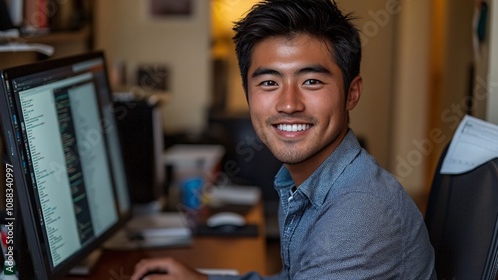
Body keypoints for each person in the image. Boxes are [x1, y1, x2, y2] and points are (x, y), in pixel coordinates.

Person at [130, 0, 436, 279]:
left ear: (352, 93)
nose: (289, 104)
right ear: (248, 94)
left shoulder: (358, 217)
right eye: (268, 82)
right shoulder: (303, 182)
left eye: (311, 81)